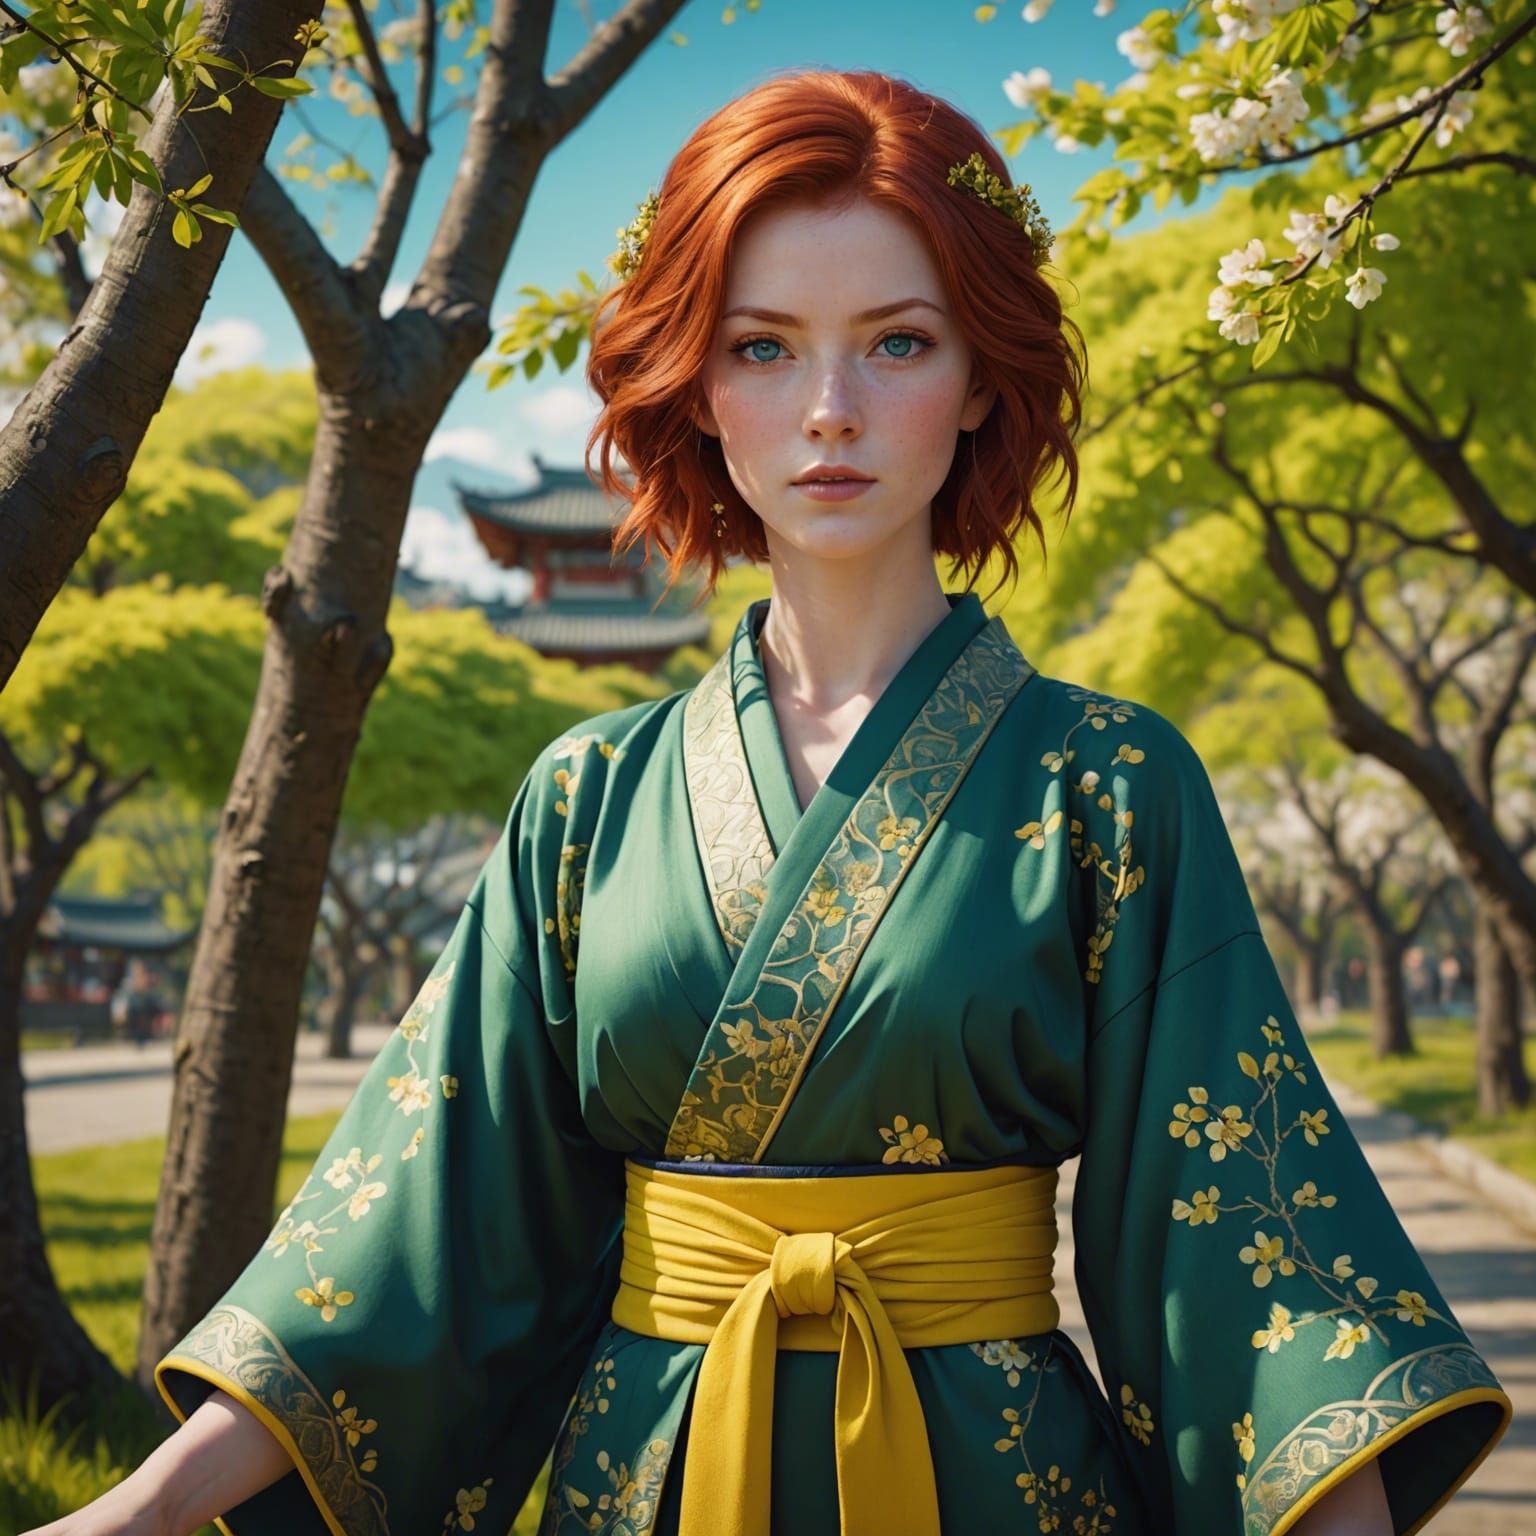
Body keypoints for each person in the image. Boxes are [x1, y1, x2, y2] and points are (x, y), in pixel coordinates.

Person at [40, 67, 1511, 1536]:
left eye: (898, 343)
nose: (830, 411)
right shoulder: (587, 799)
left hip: (993, 1484)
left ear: (984, 373)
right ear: (696, 375)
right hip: (653, 1482)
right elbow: (418, 1221)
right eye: (762, 346)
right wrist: (148, 1512)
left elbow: (1240, 1258)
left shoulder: (1110, 785)